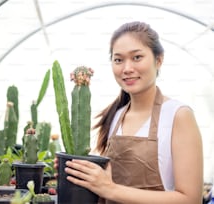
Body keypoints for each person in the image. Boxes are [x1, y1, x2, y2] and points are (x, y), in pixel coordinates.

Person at [61, 21, 204, 203]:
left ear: (158, 60)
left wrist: (110, 189)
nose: (127, 69)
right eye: (118, 60)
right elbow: (106, 183)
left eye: (137, 57)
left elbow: (191, 199)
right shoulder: (116, 116)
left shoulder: (177, 115)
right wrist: (75, 169)